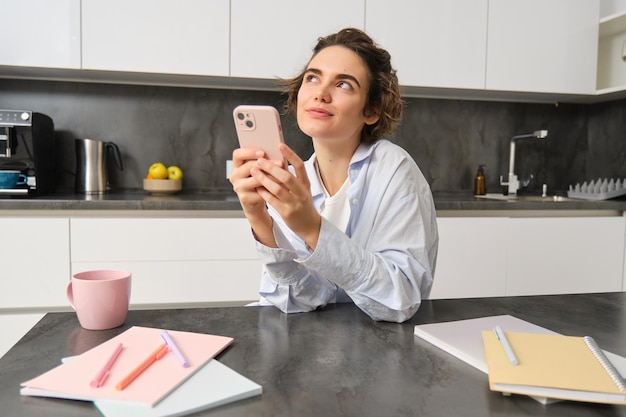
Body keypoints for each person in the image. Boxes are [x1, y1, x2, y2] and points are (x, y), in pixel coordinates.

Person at [229, 28, 438, 323]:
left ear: (372, 111)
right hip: (316, 349)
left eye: (343, 84)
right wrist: (260, 219)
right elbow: (302, 298)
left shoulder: (395, 170)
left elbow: (400, 299)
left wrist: (312, 227)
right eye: (312, 78)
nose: (320, 93)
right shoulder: (296, 181)